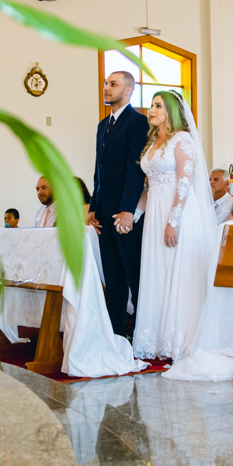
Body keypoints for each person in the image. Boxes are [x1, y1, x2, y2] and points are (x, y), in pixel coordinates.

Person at [130, 91, 217, 361]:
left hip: (177, 213)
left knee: (177, 273)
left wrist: (173, 220)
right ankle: (157, 338)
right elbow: (150, 187)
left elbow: (184, 181)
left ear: (171, 111)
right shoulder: (153, 143)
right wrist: (134, 215)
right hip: (155, 215)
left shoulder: (182, 139)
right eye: (151, 105)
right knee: (158, 271)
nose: (151, 110)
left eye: (158, 105)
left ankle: (180, 339)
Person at [89, 71, 150, 338]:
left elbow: (135, 169)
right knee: (112, 276)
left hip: (124, 212)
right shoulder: (103, 125)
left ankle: (140, 333)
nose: (106, 88)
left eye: (113, 84)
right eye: (106, 83)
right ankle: (115, 334)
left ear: (128, 91)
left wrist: (128, 209)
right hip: (104, 210)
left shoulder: (137, 122)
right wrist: (93, 206)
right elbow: (98, 168)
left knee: (133, 274)